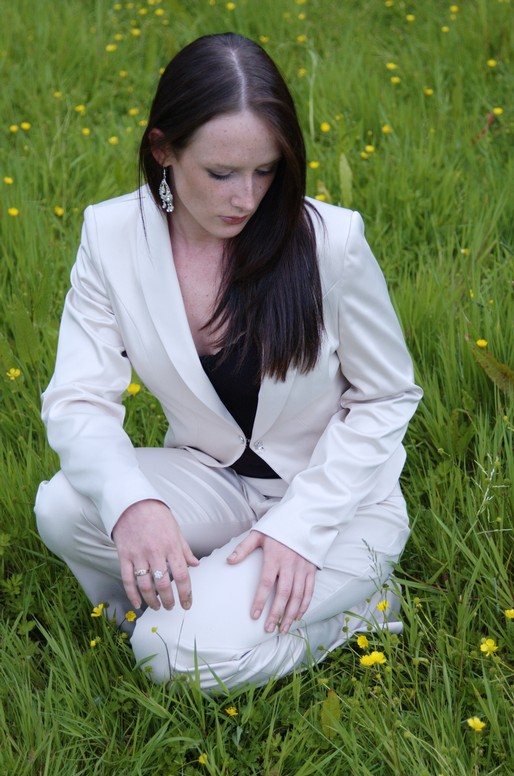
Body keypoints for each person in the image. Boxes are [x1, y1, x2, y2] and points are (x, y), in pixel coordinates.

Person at [35, 32, 422, 691]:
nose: (247, 197)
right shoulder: (111, 237)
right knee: (65, 506)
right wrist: (134, 505)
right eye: (221, 174)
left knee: (169, 656)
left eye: (265, 171)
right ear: (162, 150)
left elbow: (387, 396)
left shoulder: (330, 242)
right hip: (213, 479)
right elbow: (78, 399)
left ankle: (362, 611)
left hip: (338, 504)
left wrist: (301, 528)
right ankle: (159, 609)